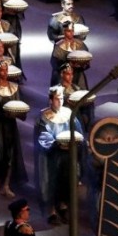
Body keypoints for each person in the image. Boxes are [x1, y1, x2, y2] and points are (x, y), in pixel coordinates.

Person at [35, 86, 83, 224]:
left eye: (61, 98)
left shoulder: (68, 114)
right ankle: (52, 212)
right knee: (51, 181)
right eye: (57, 99)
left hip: (67, 153)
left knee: (67, 179)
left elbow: (77, 131)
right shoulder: (44, 116)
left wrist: (75, 141)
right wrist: (56, 143)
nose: (60, 101)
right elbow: (43, 136)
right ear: (51, 100)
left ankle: (63, 206)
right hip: (52, 155)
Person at [0, 60, 27, 197]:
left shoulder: (14, 87)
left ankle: (6, 185)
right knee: (0, 151)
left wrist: (21, 114)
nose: (4, 72)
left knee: (10, 153)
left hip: (10, 124)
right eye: (2, 70)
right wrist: (4, 114)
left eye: (6, 70)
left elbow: (18, 105)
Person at [50, 20, 89, 88]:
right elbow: (54, 62)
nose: (71, 33)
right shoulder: (59, 46)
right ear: (64, 32)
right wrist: (68, 64)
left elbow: (86, 58)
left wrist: (83, 64)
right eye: (69, 31)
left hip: (78, 74)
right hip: (64, 75)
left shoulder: (80, 44)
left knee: (80, 88)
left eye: (72, 31)